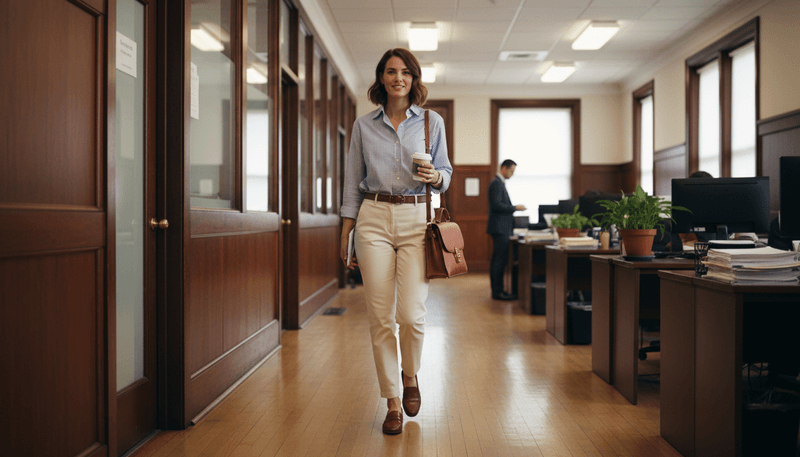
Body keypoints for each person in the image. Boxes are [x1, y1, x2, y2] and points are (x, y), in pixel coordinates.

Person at [339, 48, 452, 435]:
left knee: (411, 315)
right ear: (381, 77)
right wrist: (346, 234)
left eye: (405, 72)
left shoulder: (431, 122)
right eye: (391, 71)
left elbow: (447, 172)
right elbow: (352, 182)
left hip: (415, 216)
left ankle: (410, 375)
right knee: (379, 315)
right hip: (372, 217)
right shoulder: (363, 125)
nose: (398, 77)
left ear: (414, 79)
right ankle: (391, 402)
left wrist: (435, 176)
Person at [487, 160, 526, 300]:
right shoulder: (496, 183)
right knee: (499, 261)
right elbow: (497, 205)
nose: (512, 174)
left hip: (501, 228)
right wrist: (516, 208)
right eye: (511, 171)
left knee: (499, 260)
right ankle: (498, 292)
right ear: (504, 168)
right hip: (500, 228)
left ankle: (499, 291)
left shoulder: (499, 183)